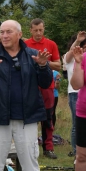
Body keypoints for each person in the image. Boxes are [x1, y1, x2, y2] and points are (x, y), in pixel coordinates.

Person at [0, 20, 52, 171]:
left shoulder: (33, 55)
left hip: (27, 116)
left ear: (19, 34)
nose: (4, 36)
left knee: (29, 155)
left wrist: (44, 66)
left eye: (8, 32)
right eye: (1, 32)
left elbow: (45, 83)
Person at [25, 18, 61, 159]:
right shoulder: (25, 45)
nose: (39, 33)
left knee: (47, 117)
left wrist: (44, 62)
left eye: (41, 30)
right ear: (31, 30)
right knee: (30, 116)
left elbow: (58, 65)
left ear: (44, 29)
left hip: (47, 86)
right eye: (36, 30)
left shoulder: (51, 44)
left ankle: (48, 147)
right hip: (30, 86)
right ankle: (30, 146)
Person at [64, 31, 86, 157]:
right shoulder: (70, 58)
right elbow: (70, 54)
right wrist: (78, 40)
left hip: (85, 95)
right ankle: (76, 151)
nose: (84, 49)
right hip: (74, 93)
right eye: (82, 47)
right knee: (76, 124)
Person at [70, 46, 86, 171]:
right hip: (84, 113)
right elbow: (76, 85)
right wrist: (77, 63)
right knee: (82, 155)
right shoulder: (85, 57)